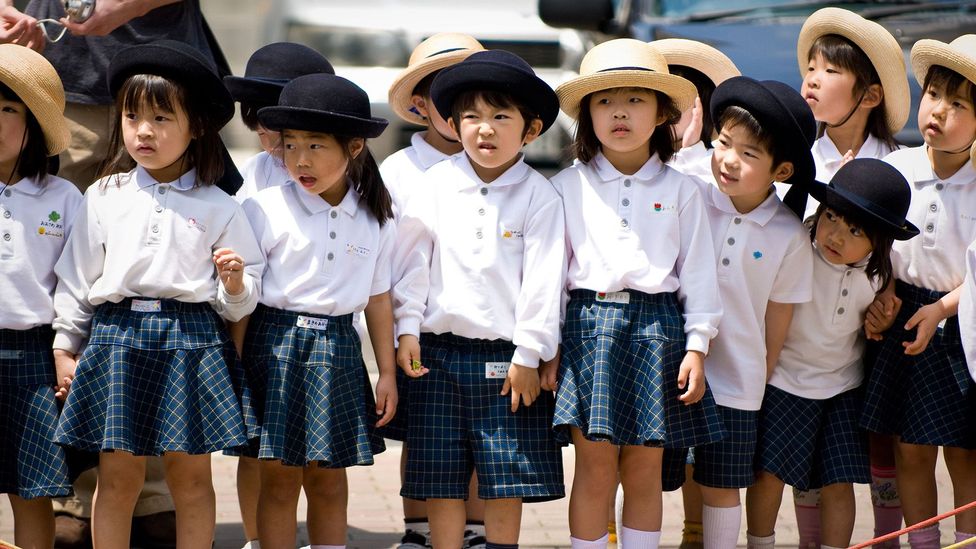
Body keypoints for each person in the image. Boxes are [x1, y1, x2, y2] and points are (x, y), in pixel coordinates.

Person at [50, 39, 263, 548]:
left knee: (189, 478)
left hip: (191, 342)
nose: (144, 131)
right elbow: (78, 277)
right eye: (132, 115)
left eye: (162, 118)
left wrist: (234, 284)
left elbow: (242, 296)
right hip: (115, 341)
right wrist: (64, 347)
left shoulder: (221, 205)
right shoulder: (104, 194)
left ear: (199, 126)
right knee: (116, 477)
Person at [549, 38, 724, 549]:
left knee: (646, 467)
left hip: (658, 330)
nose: (619, 112)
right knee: (595, 465)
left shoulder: (682, 190)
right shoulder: (565, 187)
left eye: (635, 99)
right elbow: (551, 277)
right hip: (587, 330)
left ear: (663, 114)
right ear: (586, 117)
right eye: (604, 101)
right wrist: (548, 346)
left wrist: (697, 345)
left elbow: (698, 277)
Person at [393, 49, 566, 549]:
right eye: (471, 117)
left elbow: (543, 281)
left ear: (530, 131)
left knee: (503, 477)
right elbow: (412, 264)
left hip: (506, 360)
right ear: (452, 123)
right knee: (442, 477)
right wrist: (407, 329)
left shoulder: (538, 196)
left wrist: (529, 354)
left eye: (499, 117)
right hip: (436, 354)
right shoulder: (434, 185)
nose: (484, 129)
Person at [240, 71, 397, 549]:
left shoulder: (375, 217)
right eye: (291, 145)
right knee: (280, 480)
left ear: (353, 148)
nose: (300, 160)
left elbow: (378, 297)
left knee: (329, 479)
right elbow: (244, 299)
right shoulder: (262, 207)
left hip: (338, 349)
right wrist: (235, 363)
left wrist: (387, 372)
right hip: (272, 346)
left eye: (315, 146)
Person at [662, 75, 817, 549]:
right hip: (670, 365)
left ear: (782, 169)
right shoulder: (688, 195)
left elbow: (777, 321)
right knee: (647, 471)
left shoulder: (788, 234)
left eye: (749, 154)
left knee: (722, 485)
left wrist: (759, 380)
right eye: (724, 143)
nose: (728, 160)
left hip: (738, 385)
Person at [786, 8, 912, 547]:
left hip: (878, 334)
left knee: (880, 448)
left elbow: (910, 257)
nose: (812, 77)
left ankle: (885, 537)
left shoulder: (902, 166)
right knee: (810, 454)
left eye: (830, 70)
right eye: (809, 67)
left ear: (871, 95)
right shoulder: (794, 163)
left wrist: (891, 299)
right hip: (806, 336)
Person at [745, 158, 919, 549]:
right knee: (769, 473)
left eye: (854, 230)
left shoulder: (877, 273)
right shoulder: (798, 249)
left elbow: (887, 284)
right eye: (831, 218)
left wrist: (886, 308)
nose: (835, 235)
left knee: (839, 480)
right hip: (785, 380)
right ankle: (760, 542)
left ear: (879, 242)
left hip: (843, 388)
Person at [860, 34, 976, 549]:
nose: (939, 111)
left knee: (966, 450)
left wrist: (944, 308)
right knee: (910, 447)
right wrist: (882, 297)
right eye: (933, 95)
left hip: (964, 322)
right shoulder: (897, 170)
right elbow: (875, 249)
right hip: (905, 318)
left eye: (959, 104)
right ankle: (921, 541)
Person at [220, 40, 335, 549]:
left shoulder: (340, 173)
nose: (268, 133)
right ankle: (256, 537)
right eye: (258, 118)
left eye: (278, 119)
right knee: (257, 449)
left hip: (320, 328)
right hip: (254, 321)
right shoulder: (246, 177)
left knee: (319, 454)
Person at [380, 32, 487, 549]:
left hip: (480, 324)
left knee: (478, 436)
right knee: (423, 435)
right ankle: (418, 530)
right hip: (416, 325)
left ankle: (477, 527)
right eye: (445, 95)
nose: (458, 108)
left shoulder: (501, 165)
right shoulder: (397, 172)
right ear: (420, 105)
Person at [647, 38, 740, 549]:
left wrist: (687, 150)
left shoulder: (711, 170)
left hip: (709, 332)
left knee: (698, 446)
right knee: (641, 451)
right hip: (655, 329)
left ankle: (695, 533)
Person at [0, 42, 79, 548]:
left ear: (34, 124)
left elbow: (75, 282)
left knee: (32, 491)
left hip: (32, 357)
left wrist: (65, 349)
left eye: (7, 108)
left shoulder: (62, 197)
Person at [227, 42, 335, 203]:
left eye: (280, 133)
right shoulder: (256, 170)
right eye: (261, 133)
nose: (271, 146)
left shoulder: (351, 179)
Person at [651, 38, 741, 182]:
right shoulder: (627, 157)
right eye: (659, 97)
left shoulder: (719, 163)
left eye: (680, 99)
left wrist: (690, 151)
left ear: (703, 106)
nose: (665, 108)